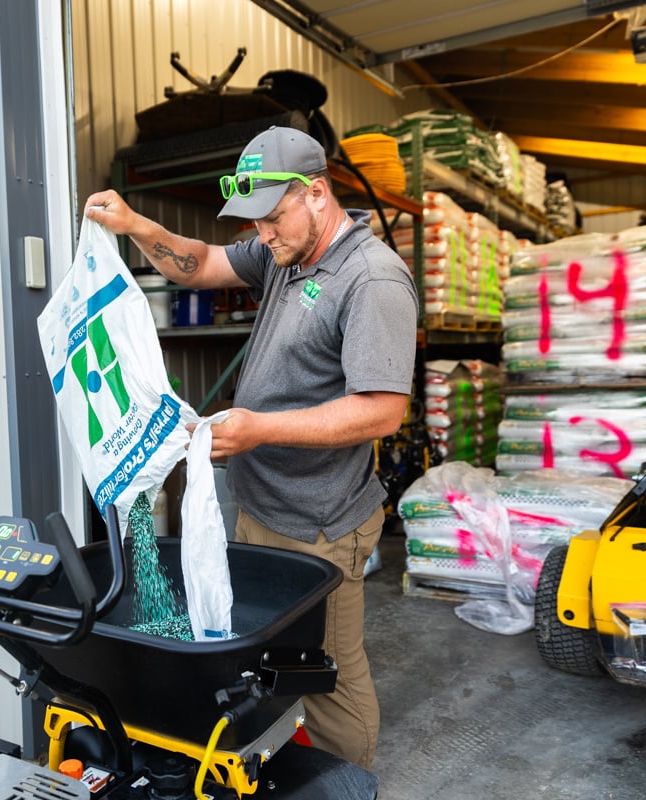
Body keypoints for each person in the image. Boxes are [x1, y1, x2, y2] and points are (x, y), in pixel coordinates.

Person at [84, 125, 417, 769]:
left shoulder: (371, 278)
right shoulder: (286, 254)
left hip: (320, 520)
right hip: (262, 505)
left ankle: (347, 782)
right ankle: (288, 768)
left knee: (328, 675)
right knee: (273, 659)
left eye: (272, 217)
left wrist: (258, 429)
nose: (261, 233)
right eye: (255, 221)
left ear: (316, 194)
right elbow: (203, 262)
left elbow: (382, 412)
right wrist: (135, 225)